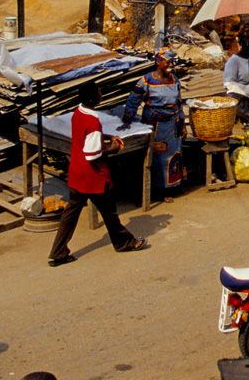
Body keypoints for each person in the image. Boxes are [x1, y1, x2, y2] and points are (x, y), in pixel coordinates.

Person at [48, 82, 148, 266]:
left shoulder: (78, 113)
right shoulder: (93, 121)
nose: (102, 95)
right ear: (94, 99)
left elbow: (85, 140)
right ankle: (124, 242)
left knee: (71, 213)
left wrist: (104, 139)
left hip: (77, 173)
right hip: (94, 177)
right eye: (100, 92)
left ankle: (57, 252)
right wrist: (113, 148)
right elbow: (93, 154)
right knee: (109, 212)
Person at [120, 48, 185, 195]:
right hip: (155, 126)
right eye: (167, 62)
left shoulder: (175, 80)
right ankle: (159, 190)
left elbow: (179, 102)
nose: (171, 65)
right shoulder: (146, 81)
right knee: (158, 156)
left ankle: (172, 186)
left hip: (173, 125)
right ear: (158, 62)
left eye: (172, 62)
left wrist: (181, 122)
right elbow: (133, 101)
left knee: (174, 153)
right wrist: (127, 120)